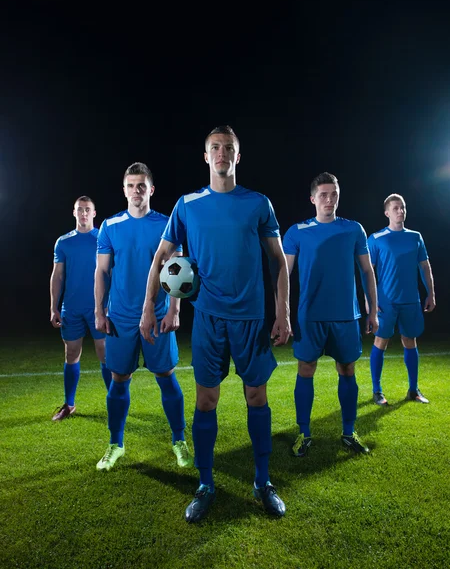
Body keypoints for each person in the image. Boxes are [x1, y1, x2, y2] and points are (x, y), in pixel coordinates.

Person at [140, 126, 291, 523]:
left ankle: (263, 481)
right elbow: (162, 259)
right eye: (214, 148)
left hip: (252, 318)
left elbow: (279, 261)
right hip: (207, 319)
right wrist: (148, 307)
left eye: (229, 148)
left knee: (256, 397)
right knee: (206, 400)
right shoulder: (187, 205)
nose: (221, 153)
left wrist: (283, 311)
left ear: (238, 157)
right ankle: (205, 485)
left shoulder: (258, 204)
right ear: (205, 157)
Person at [94, 162, 193, 471]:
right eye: (130, 185)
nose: (136, 191)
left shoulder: (167, 225)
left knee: (166, 376)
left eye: (141, 185)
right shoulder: (110, 226)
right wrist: (99, 311)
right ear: (124, 190)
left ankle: (179, 441)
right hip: (121, 317)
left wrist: (175, 309)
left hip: (159, 314)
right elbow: (101, 271)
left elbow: (178, 270)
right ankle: (115, 444)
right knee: (119, 379)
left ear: (151, 189)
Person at [283, 172, 378, 458]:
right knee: (306, 370)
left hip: (346, 316)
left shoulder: (354, 230)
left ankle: (349, 432)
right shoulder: (297, 231)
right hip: (309, 316)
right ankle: (304, 432)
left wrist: (372, 309)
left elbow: (367, 271)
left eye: (333, 194)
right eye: (323, 194)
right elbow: (283, 275)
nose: (329, 199)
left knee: (347, 370)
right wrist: (282, 311)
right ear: (313, 199)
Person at [368, 193, 436, 405]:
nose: (401, 211)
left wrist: (431, 293)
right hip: (385, 301)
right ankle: (377, 391)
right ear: (387, 212)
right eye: (396, 208)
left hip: (411, 300)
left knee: (410, 341)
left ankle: (413, 390)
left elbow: (425, 267)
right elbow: (367, 272)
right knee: (381, 341)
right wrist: (370, 301)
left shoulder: (415, 236)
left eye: (403, 207)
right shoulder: (376, 238)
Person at [50, 196, 109, 421]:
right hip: (71, 308)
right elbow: (58, 275)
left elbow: (111, 272)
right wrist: (54, 306)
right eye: (80, 210)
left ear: (94, 213)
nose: (83, 213)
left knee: (104, 354)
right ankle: (69, 404)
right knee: (71, 353)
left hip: (99, 307)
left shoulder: (103, 238)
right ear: (74, 213)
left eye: (87, 210)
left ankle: (114, 400)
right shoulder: (63, 242)